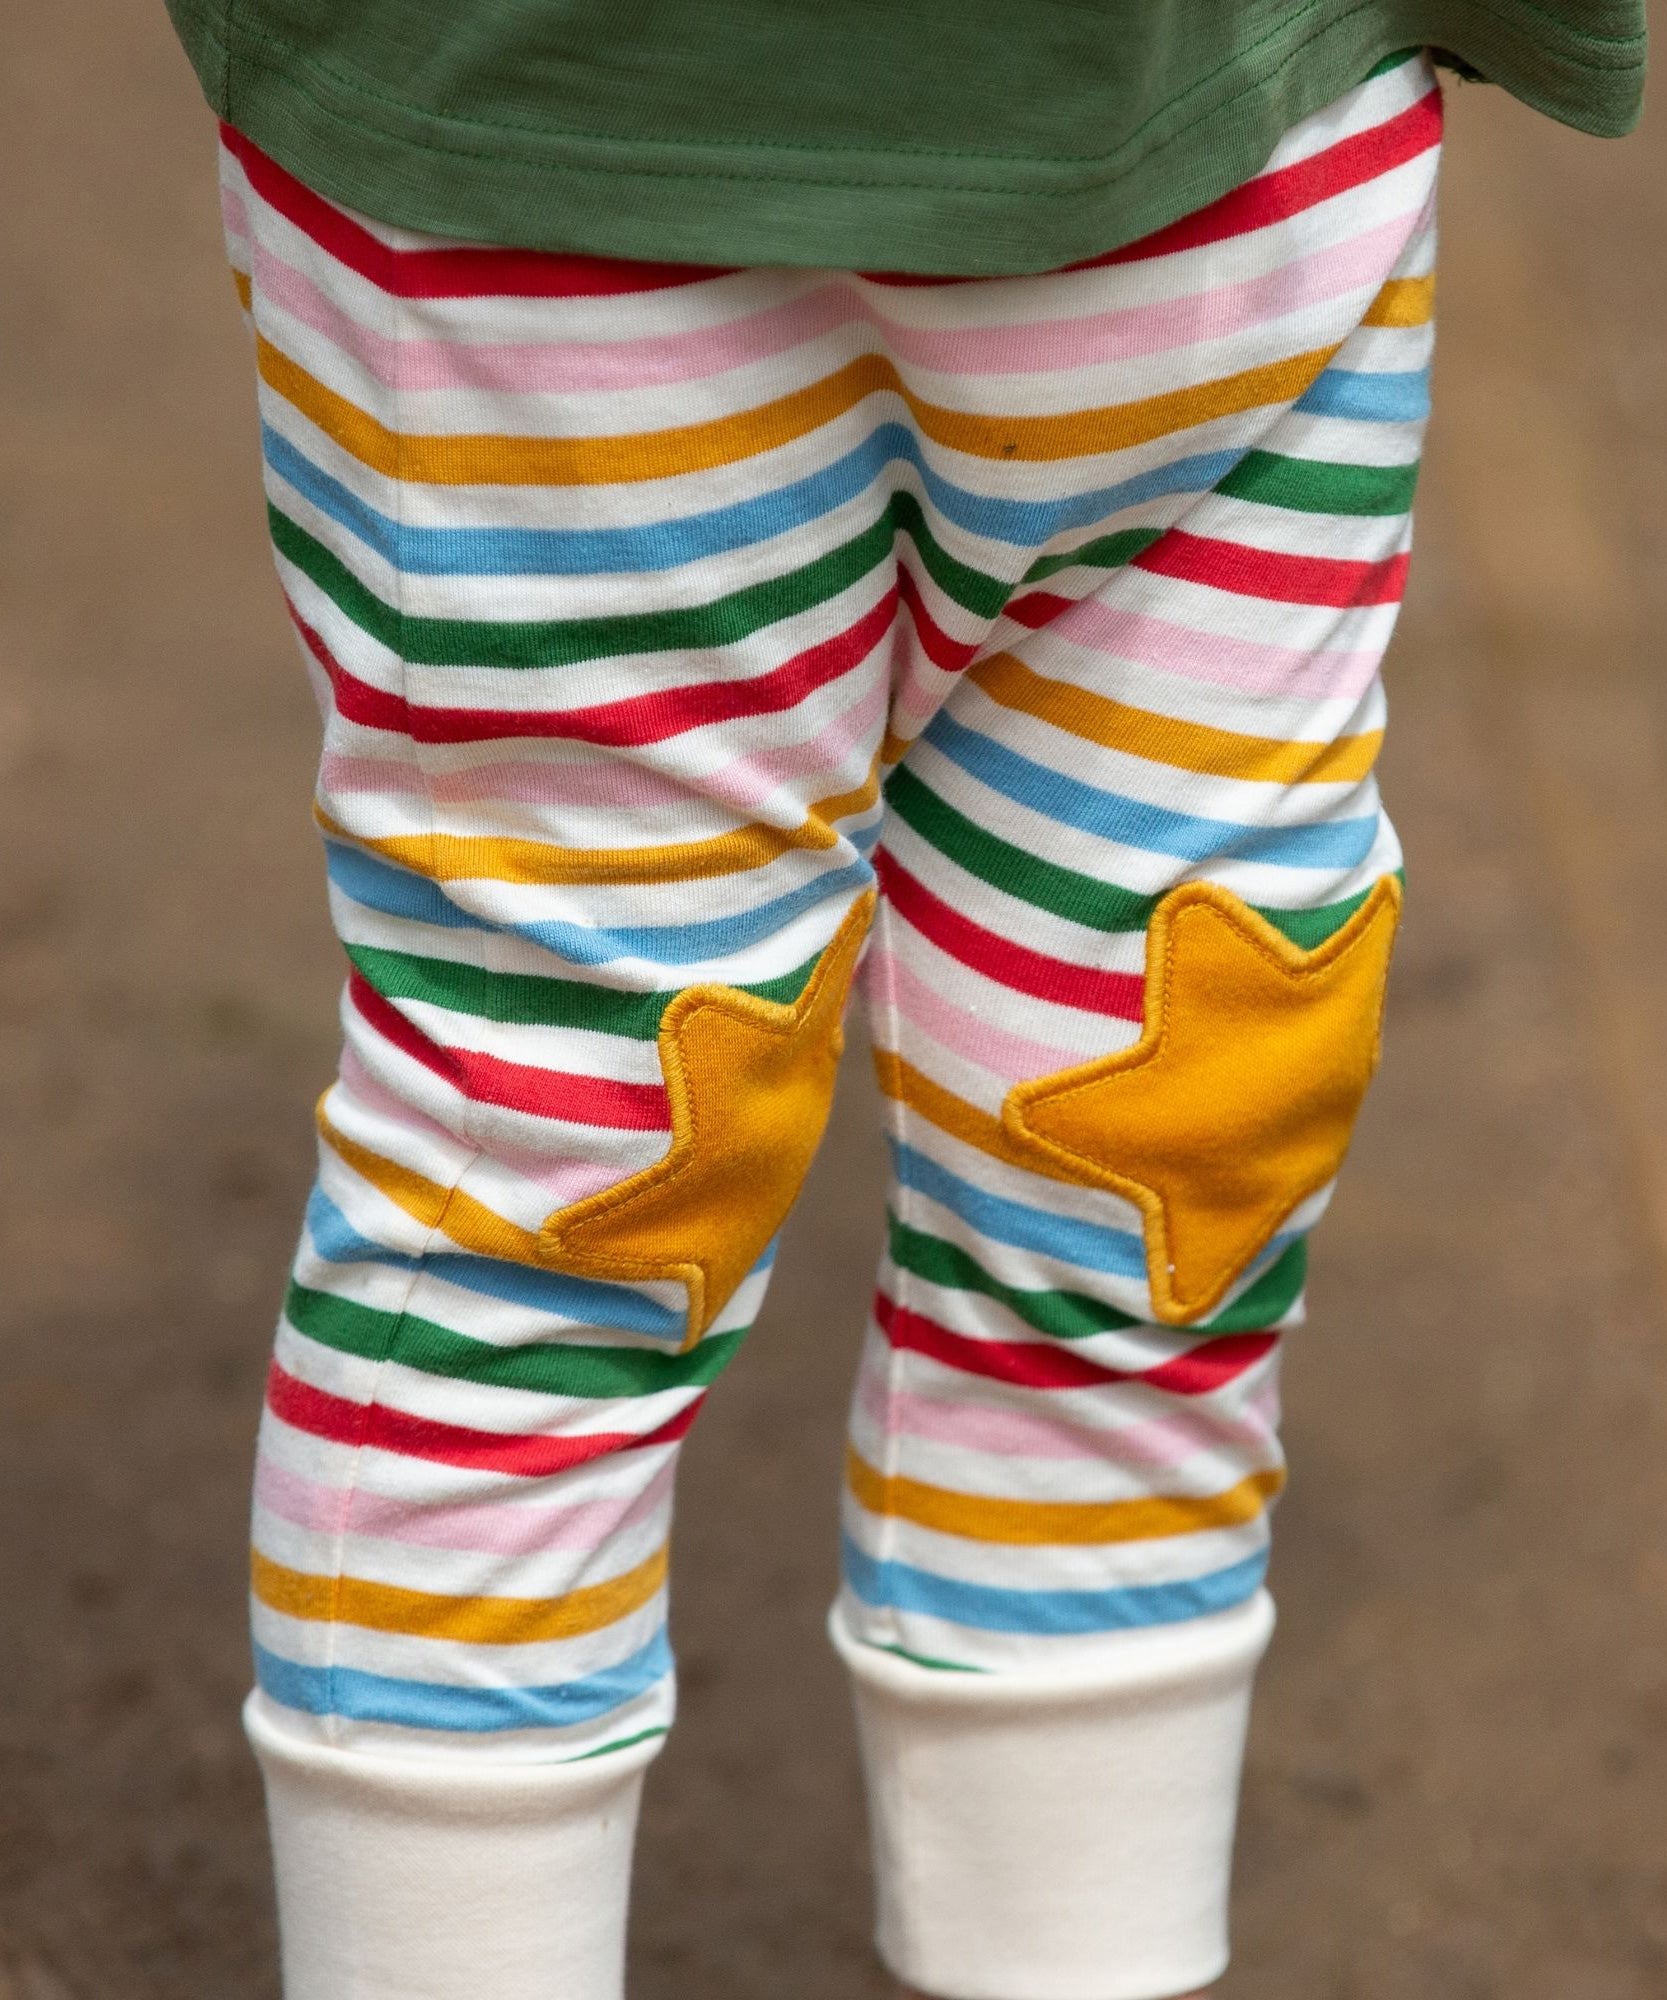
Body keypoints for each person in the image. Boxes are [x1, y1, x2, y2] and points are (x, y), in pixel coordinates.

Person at [160, 5, 1647, 1997]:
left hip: (1230, 131)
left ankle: (1079, 1957)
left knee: (1160, 1146)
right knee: (564, 1179)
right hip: (556, 173)